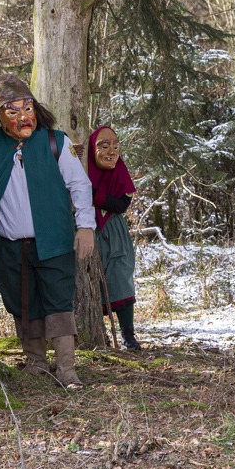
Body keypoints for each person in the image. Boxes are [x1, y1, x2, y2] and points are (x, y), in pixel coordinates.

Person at [0, 75, 97, 388]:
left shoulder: (57, 142)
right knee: (23, 302)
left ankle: (66, 369)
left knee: (59, 301)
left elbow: (79, 184)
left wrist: (86, 226)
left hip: (55, 240)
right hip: (10, 244)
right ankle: (36, 363)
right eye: (13, 111)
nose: (23, 117)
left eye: (27, 108)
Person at [87, 125, 142, 350]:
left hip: (114, 231)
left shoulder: (119, 170)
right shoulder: (82, 169)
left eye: (115, 146)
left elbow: (121, 203)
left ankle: (128, 334)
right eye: (103, 145)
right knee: (92, 280)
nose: (111, 151)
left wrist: (94, 194)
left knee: (120, 276)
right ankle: (99, 333)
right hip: (87, 230)